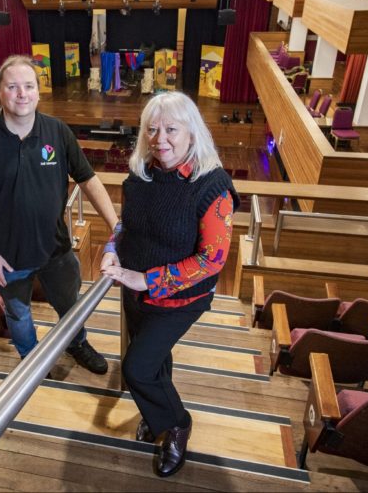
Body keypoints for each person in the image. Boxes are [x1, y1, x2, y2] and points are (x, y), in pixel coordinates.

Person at [100, 91, 238, 478]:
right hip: (136, 291)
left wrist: (147, 279)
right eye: (152, 129)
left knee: (138, 368)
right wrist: (113, 248)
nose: (160, 138)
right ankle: (155, 414)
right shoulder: (141, 174)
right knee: (155, 359)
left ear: (192, 133)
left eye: (171, 129)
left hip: (180, 300)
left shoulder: (213, 186)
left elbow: (212, 259)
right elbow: (127, 225)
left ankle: (176, 425)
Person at [0, 54, 119, 375]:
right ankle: (30, 364)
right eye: (13, 86)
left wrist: (118, 226)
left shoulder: (58, 132)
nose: (22, 93)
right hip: (7, 256)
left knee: (70, 306)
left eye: (29, 86)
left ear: (38, 91)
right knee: (19, 316)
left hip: (56, 250)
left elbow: (88, 179)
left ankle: (76, 344)